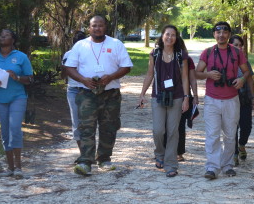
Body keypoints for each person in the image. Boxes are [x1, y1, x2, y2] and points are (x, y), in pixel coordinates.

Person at [65, 16, 133, 176]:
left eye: (100, 25)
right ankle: (85, 162)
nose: (97, 28)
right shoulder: (80, 45)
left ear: (105, 27)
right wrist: (83, 79)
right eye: (94, 26)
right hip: (87, 93)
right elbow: (69, 67)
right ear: (89, 28)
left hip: (110, 93)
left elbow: (126, 66)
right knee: (86, 127)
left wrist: (111, 76)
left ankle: (104, 159)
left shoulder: (115, 44)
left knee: (109, 126)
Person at [195, 22, 250, 179]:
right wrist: (208, 75)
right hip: (212, 99)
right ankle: (212, 167)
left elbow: (246, 73)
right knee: (212, 134)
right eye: (218, 32)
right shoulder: (208, 52)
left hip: (232, 99)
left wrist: (242, 80)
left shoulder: (237, 52)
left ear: (229, 34)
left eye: (225, 32)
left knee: (230, 134)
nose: (221, 35)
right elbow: (197, 73)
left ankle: (227, 165)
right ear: (214, 34)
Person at [138, 25, 190, 177]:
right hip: (158, 96)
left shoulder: (181, 54)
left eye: (173, 35)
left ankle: (171, 164)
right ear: (162, 36)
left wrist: (187, 98)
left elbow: (185, 77)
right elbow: (149, 75)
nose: (170, 37)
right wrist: (142, 94)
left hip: (177, 96)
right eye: (167, 34)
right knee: (158, 130)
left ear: (176, 38)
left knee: (173, 131)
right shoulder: (154, 54)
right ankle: (159, 153)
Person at [0, 29, 33, 179]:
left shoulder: (21, 56)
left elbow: (30, 79)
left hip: (17, 97)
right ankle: (10, 167)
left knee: (14, 128)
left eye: (6, 35)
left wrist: (17, 77)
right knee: (5, 131)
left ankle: (19, 167)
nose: (2, 36)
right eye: (1, 35)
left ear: (13, 40)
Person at [229, 35, 254, 166]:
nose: (239, 47)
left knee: (246, 126)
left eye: (241, 45)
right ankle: (234, 153)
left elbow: (250, 79)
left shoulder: (245, 61)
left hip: (244, 98)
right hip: (230, 98)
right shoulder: (226, 60)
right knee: (232, 127)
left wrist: (253, 97)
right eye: (236, 45)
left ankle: (242, 144)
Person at [61, 30, 86, 149]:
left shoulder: (90, 54)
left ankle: (90, 151)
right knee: (76, 121)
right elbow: (63, 76)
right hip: (72, 90)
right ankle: (83, 154)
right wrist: (65, 67)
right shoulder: (68, 54)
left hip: (87, 89)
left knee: (88, 122)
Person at [176, 56, 199, 162]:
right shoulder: (160, 56)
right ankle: (164, 150)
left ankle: (179, 152)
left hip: (183, 95)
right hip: (165, 94)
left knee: (180, 125)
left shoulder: (187, 59)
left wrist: (195, 96)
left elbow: (193, 79)